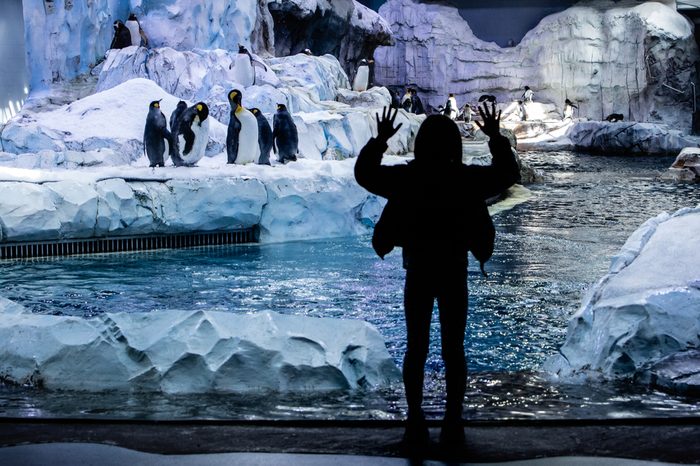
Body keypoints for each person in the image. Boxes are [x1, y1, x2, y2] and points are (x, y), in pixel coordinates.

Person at [354, 104, 520, 449]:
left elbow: (366, 174)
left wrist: (380, 141)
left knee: (416, 347)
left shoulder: (407, 178)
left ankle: (415, 420)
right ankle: (453, 420)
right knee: (453, 349)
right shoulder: (466, 180)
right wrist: (495, 138)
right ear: (455, 145)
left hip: (418, 270)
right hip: (453, 271)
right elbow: (506, 174)